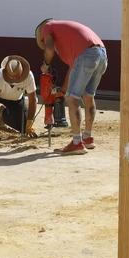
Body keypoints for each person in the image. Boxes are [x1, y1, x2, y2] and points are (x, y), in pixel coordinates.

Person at [34, 18, 108, 155]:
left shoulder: (47, 26)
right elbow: (73, 67)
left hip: (87, 55)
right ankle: (87, 138)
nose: (45, 42)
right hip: (102, 53)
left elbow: (49, 50)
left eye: (42, 40)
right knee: (88, 96)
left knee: (72, 99)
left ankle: (76, 143)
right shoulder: (68, 36)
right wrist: (63, 90)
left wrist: (46, 64)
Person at [0, 55, 38, 134]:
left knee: (23, 128)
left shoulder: (29, 76)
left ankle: (3, 114)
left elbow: (33, 100)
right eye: (12, 77)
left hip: (16, 100)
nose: (14, 79)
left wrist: (29, 124)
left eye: (17, 76)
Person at [39, 52, 68, 128]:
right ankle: (53, 122)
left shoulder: (48, 75)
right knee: (49, 106)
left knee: (54, 102)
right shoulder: (45, 76)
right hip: (47, 92)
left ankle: (58, 121)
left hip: (49, 92)